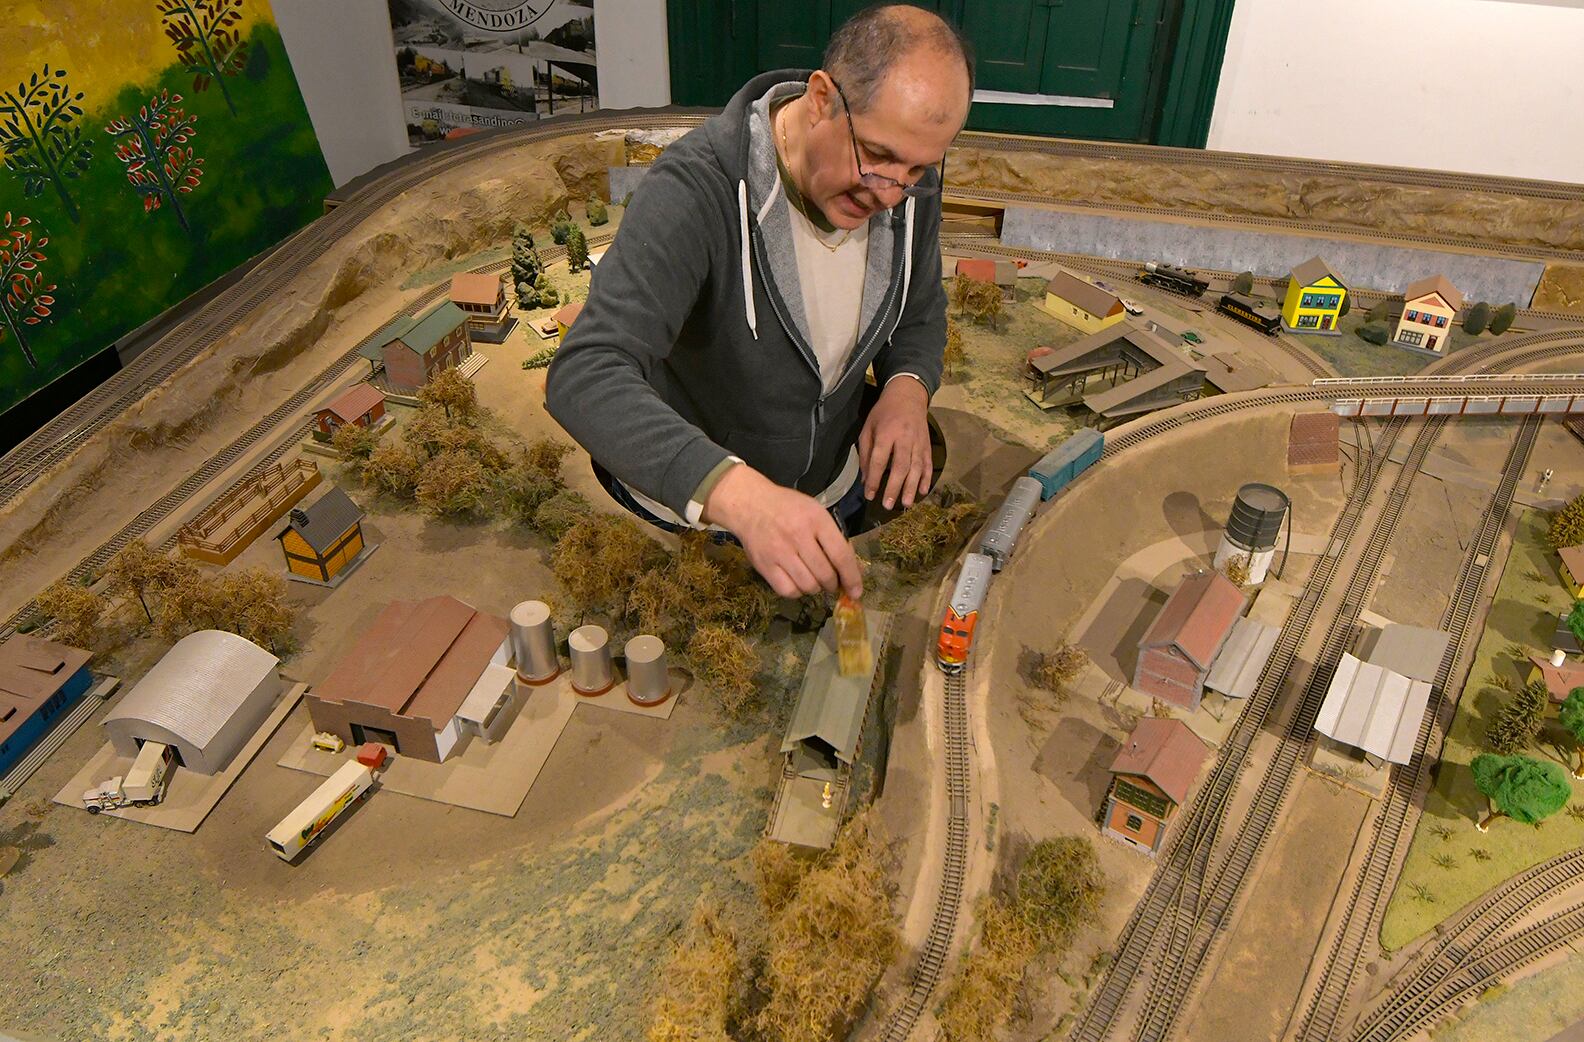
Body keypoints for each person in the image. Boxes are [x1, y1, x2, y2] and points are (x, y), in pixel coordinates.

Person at [545, 5, 973, 601]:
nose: (891, 194)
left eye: (918, 169)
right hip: (695, 523)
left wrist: (907, 385)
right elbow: (586, 374)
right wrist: (738, 493)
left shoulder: (906, 183)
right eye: (874, 156)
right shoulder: (696, 192)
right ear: (821, 98)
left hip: (828, 493)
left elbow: (919, 307)